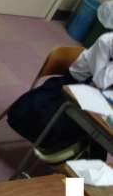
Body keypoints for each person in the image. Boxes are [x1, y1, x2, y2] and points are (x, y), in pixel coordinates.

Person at [7, 30, 113, 158]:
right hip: (71, 87)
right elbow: (101, 81)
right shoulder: (105, 41)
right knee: (92, 131)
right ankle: (68, 161)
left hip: (96, 94)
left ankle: (81, 162)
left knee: (99, 133)